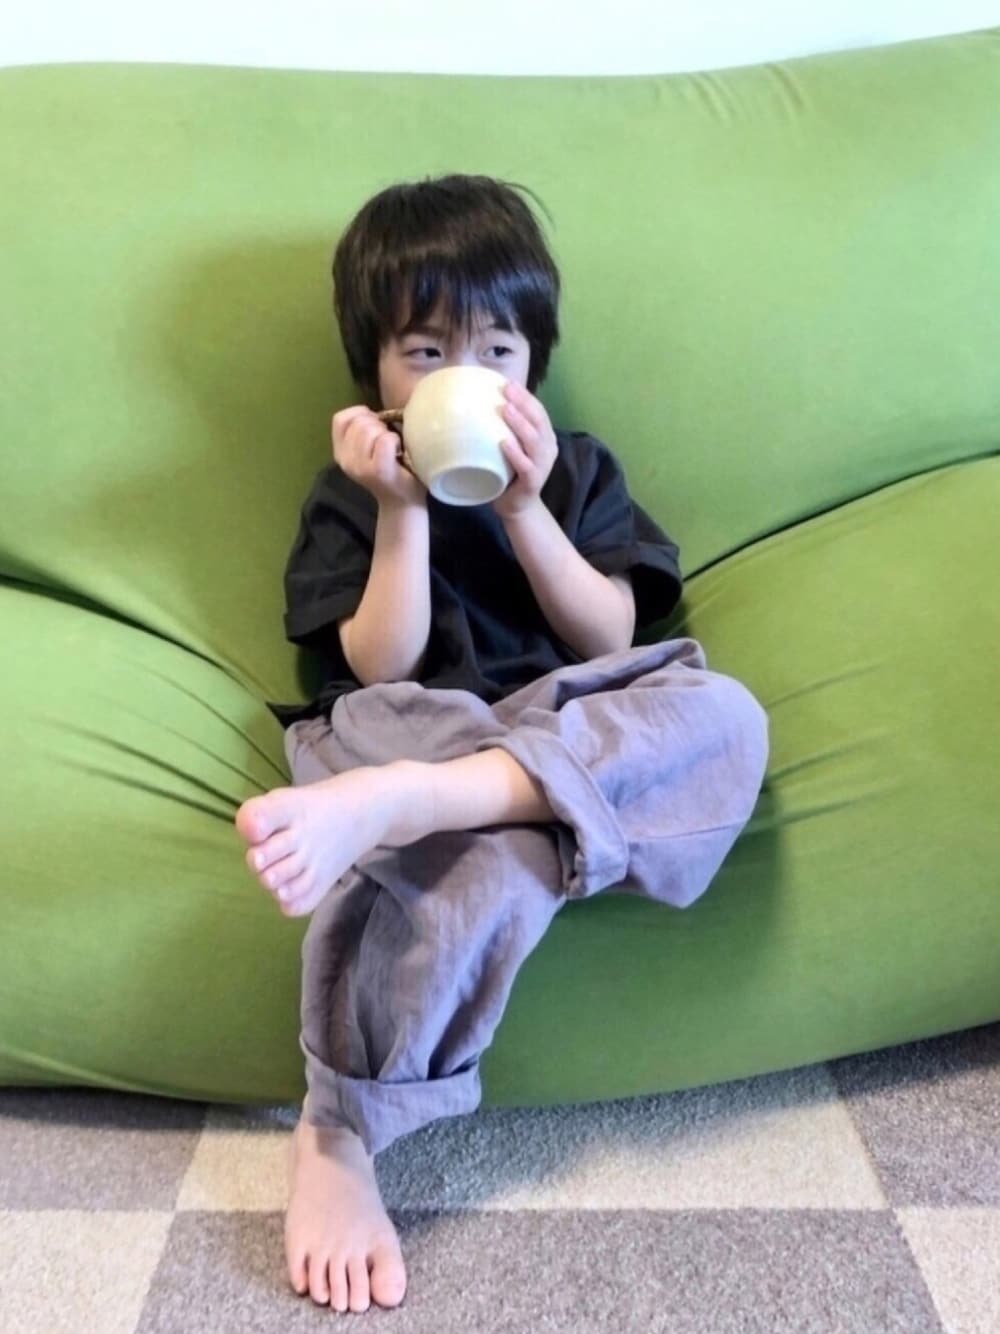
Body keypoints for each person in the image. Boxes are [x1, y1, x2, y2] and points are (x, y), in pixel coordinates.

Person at [234, 173, 769, 1315]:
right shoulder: (353, 490)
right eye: (426, 353)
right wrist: (402, 507)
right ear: (375, 372)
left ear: (533, 363)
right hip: (405, 725)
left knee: (724, 713)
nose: (462, 375)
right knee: (496, 851)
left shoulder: (575, 469)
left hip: (545, 725)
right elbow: (378, 662)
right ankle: (339, 1134)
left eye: (495, 351)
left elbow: (611, 634)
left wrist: (525, 507)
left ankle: (424, 803)